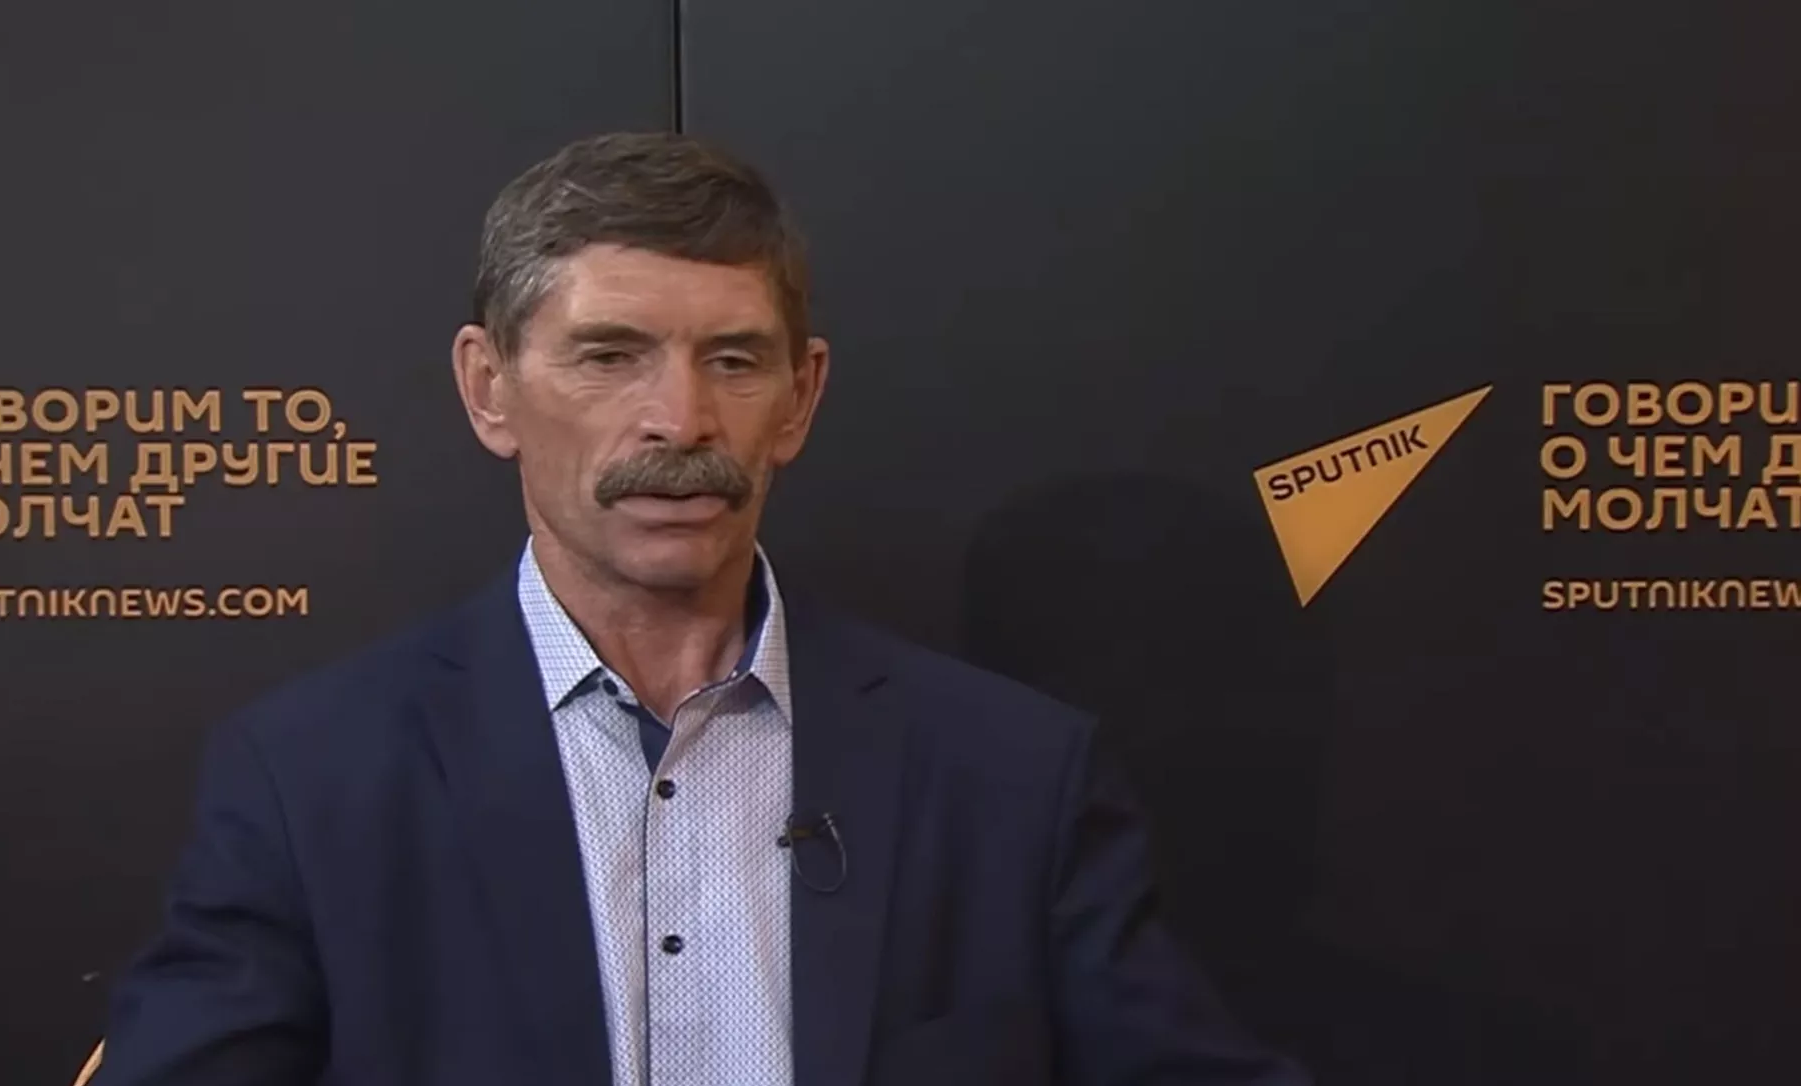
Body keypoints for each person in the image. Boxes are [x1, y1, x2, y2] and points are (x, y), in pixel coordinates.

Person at [92, 131, 1308, 1086]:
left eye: (733, 360)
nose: (679, 421)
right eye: (609, 356)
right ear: (489, 388)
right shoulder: (312, 778)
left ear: (800, 397)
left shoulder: (1009, 775)